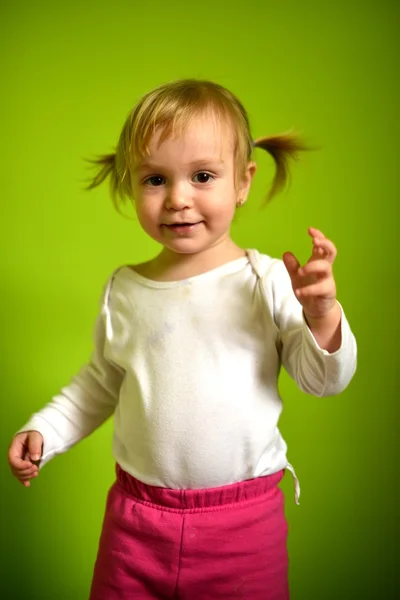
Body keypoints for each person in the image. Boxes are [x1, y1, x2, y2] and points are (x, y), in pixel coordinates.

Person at [8, 79, 357, 600]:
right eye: (154, 179)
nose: (177, 199)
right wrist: (46, 430)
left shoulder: (265, 282)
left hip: (243, 531)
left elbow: (322, 380)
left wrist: (322, 314)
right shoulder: (125, 289)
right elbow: (102, 381)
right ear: (131, 185)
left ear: (243, 182)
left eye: (202, 176)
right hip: (136, 526)